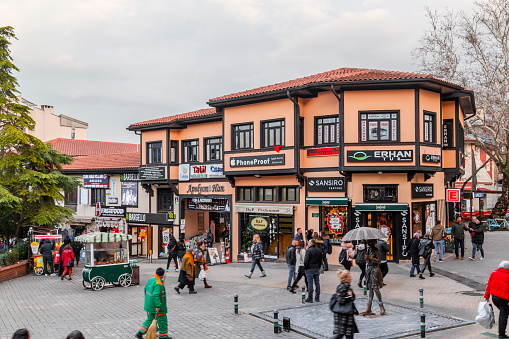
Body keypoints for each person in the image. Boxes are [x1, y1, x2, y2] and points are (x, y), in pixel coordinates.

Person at [136, 267, 171, 339]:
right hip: (158, 306)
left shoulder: (151, 279)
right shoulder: (158, 283)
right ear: (162, 275)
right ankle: (163, 336)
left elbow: (145, 288)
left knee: (150, 319)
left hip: (150, 305)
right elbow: (156, 295)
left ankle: (140, 333)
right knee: (162, 320)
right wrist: (158, 306)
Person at [331, 269, 359, 339]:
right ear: (345, 279)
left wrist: (355, 311)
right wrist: (350, 296)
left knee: (349, 335)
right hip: (343, 315)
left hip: (348, 315)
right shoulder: (342, 287)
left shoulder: (347, 286)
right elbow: (341, 300)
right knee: (340, 335)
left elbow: (351, 300)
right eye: (349, 277)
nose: (351, 278)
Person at [484, 261, 509, 338]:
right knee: (503, 315)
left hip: (495, 298)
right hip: (504, 299)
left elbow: (488, 286)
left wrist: (486, 297)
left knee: (504, 313)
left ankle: (501, 332)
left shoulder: (494, 273)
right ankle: (501, 334)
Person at [362, 239, 385, 316]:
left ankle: (381, 307)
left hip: (375, 270)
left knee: (375, 288)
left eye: (369, 242)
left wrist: (371, 258)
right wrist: (366, 258)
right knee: (370, 288)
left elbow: (379, 261)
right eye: (367, 242)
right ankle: (368, 307)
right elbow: (367, 260)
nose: (368, 243)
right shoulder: (368, 250)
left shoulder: (376, 250)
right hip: (369, 269)